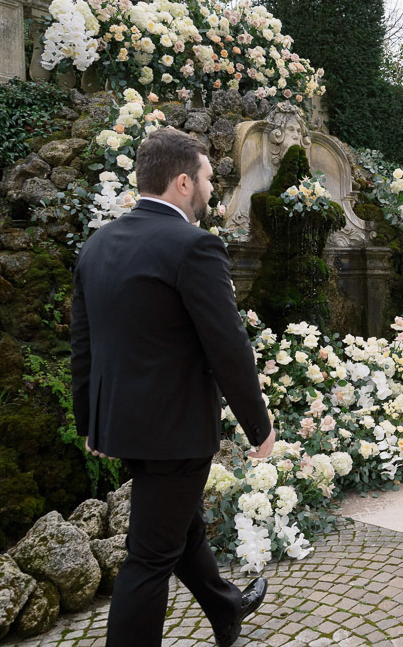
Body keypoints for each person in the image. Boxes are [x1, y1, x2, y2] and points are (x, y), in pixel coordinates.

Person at [70, 127, 276, 647]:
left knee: (177, 526)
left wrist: (89, 421)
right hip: (176, 436)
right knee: (148, 560)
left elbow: (84, 345)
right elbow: (227, 346)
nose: (211, 190)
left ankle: (225, 607)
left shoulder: (97, 245)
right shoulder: (195, 245)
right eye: (208, 179)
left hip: (124, 428)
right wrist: (259, 425)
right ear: (183, 182)